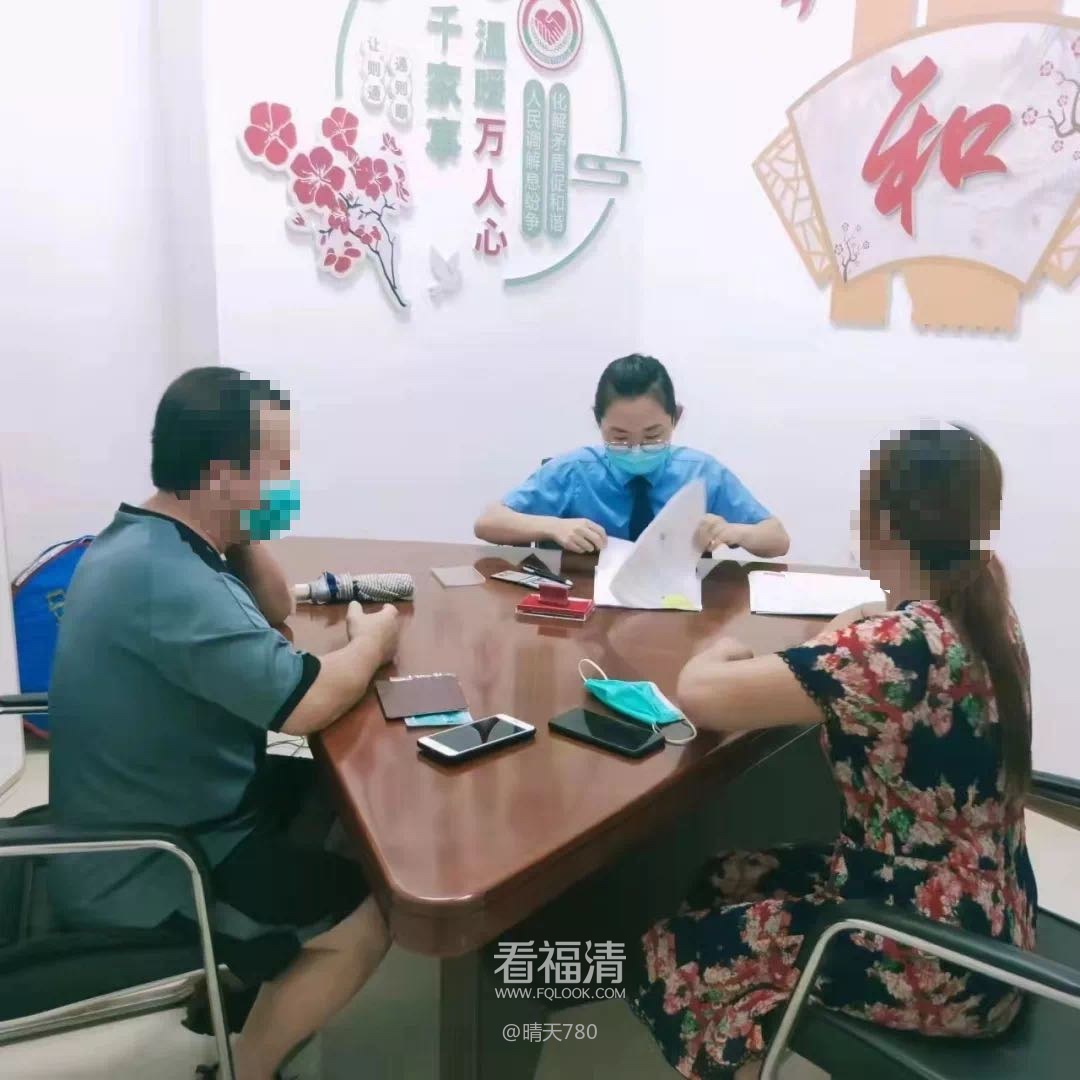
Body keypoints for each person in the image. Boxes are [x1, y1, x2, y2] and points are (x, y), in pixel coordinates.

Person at [627, 425, 1037, 1080]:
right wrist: (850, 630)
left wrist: (721, 646)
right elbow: (882, 646)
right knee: (722, 876)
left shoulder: (896, 649)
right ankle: (757, 1025)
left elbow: (700, 694)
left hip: (933, 953)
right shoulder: (981, 599)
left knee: (665, 953)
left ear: (883, 525)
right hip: (987, 916)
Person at [47, 367, 401, 1080]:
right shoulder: (165, 579)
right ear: (219, 474)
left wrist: (236, 525)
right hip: (154, 857)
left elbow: (275, 609)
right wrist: (374, 640)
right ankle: (248, 1067)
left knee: (343, 803)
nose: (288, 483)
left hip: (170, 798)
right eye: (277, 467)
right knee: (372, 913)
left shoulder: (154, 537)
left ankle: (252, 976)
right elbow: (306, 703)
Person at [474, 355, 789, 558]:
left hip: (680, 609)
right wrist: (553, 527)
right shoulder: (575, 471)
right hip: (589, 612)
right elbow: (488, 522)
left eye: (652, 436)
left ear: (676, 418)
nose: (636, 449)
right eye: (620, 438)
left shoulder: (701, 472)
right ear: (598, 423)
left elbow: (777, 539)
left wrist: (736, 532)